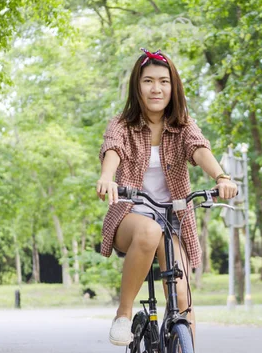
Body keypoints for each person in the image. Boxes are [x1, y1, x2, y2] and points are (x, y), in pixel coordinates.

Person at [96, 48, 238, 346]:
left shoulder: (183, 126)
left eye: (164, 81)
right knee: (149, 230)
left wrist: (222, 177)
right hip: (130, 217)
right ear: (137, 86)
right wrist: (107, 178)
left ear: (174, 87)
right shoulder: (122, 124)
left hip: (172, 219)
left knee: (183, 297)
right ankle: (123, 313)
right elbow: (113, 150)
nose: (156, 88)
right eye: (148, 81)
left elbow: (200, 149)